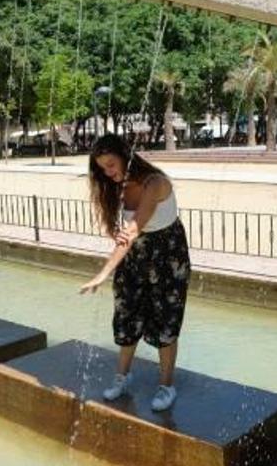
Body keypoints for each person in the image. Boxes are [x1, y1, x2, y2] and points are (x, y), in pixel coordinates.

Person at [79, 134, 191, 412]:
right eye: (103, 168)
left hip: (167, 256)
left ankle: (166, 385)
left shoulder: (155, 183)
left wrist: (103, 273)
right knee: (127, 315)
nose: (108, 173)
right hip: (135, 256)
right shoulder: (119, 185)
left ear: (125, 156)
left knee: (165, 321)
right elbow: (125, 235)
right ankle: (122, 375)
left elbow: (131, 232)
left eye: (111, 165)